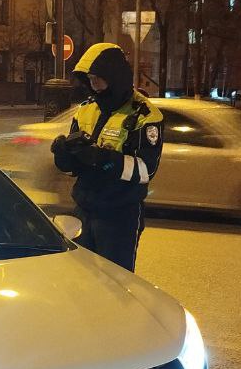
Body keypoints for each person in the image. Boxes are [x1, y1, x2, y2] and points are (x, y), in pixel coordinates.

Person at [50, 42, 163, 272]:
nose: (93, 86)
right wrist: (64, 156)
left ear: (114, 77)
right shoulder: (86, 109)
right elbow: (75, 167)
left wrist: (102, 159)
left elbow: (145, 171)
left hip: (119, 215)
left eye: (98, 79)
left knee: (115, 281)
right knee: (81, 280)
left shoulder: (144, 115)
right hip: (84, 210)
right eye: (90, 79)